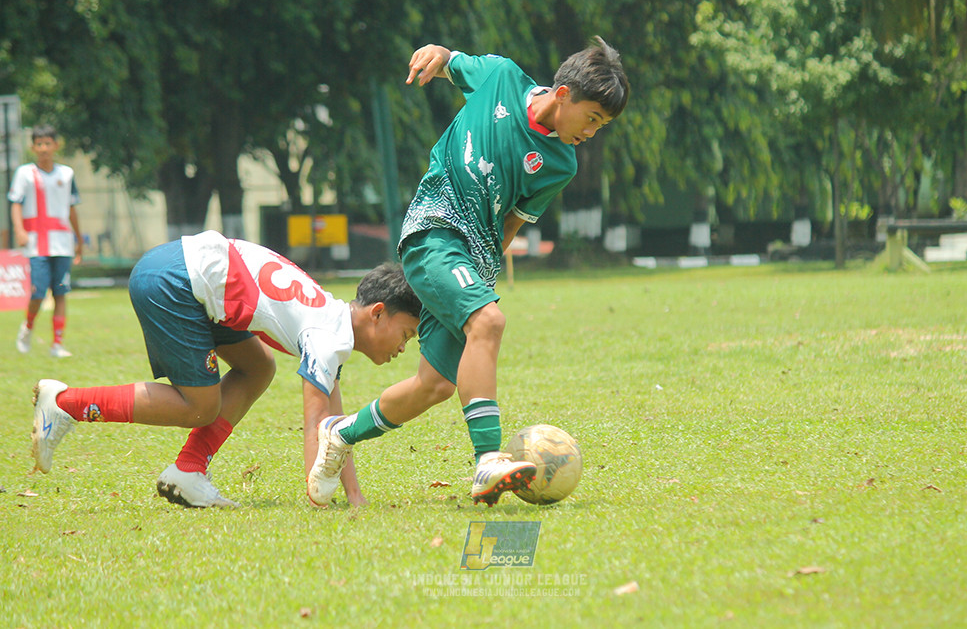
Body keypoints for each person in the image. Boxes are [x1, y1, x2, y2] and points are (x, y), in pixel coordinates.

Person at [307, 37, 629, 507]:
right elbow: (450, 63)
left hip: (470, 259)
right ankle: (487, 461)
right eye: (593, 119)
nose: (593, 133)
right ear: (563, 95)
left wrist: (481, 276)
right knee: (490, 321)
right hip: (433, 231)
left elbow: (514, 219)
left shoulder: (561, 163)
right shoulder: (501, 77)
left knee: (435, 384)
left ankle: (339, 434)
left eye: (603, 125)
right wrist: (435, 55)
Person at [30, 230, 421, 508]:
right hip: (175, 280)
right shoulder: (326, 334)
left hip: (178, 270)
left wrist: (354, 496)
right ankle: (66, 404)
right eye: (405, 333)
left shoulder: (332, 320)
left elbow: (334, 426)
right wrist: (318, 495)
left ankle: (189, 469)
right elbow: (315, 422)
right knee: (200, 406)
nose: (403, 347)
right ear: (377, 313)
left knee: (258, 367)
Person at [8, 124, 85, 358]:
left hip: (62, 242)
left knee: (60, 292)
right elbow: (16, 203)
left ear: (56, 145)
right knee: (38, 293)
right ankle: (28, 328)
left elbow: (72, 208)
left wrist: (79, 239)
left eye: (47, 143)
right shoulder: (24, 173)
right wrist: (19, 230)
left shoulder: (67, 174)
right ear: (33, 147)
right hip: (36, 242)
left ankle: (57, 344)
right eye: (39, 144)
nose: (43, 148)